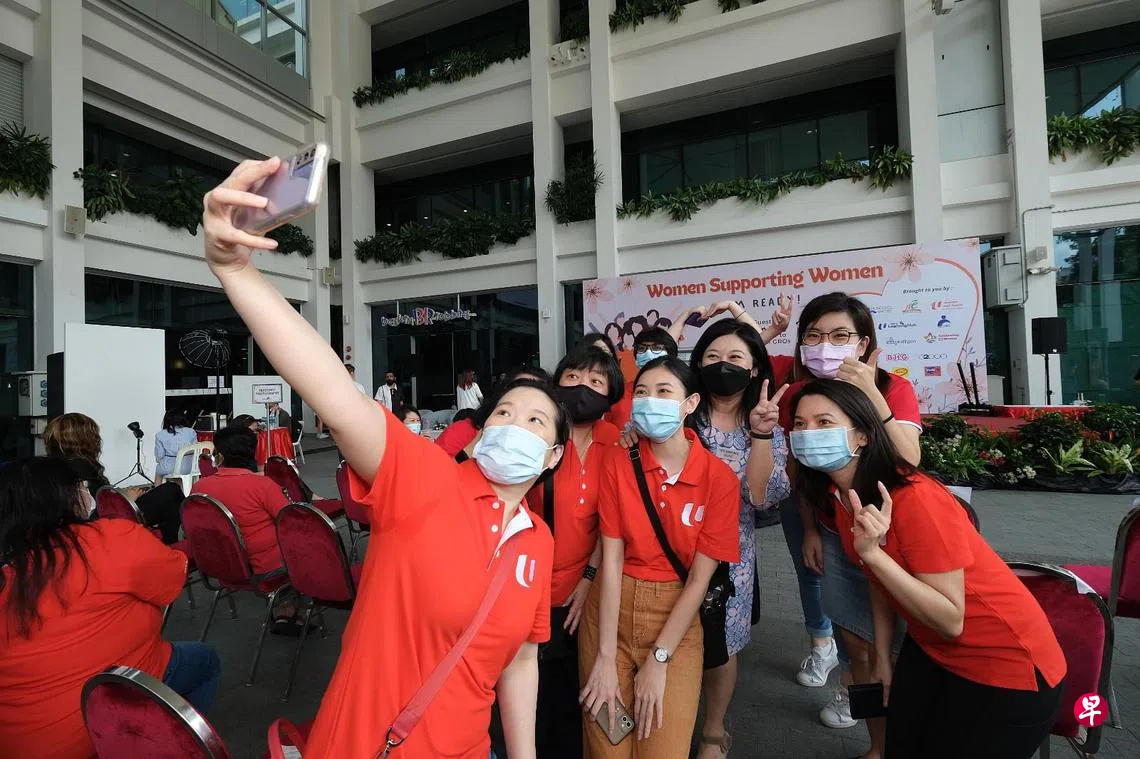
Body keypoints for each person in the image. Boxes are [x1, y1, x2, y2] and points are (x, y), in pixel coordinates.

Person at [202, 158, 571, 758]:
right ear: (477, 433)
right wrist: (235, 271)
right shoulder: (426, 480)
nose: (514, 425)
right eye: (503, 412)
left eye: (535, 421)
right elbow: (337, 396)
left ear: (552, 456)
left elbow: (521, 660)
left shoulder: (538, 541)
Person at [789, 380, 1066, 758]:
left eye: (824, 422)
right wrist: (881, 655)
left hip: (1005, 663)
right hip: (932, 649)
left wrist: (875, 555)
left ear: (863, 435)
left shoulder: (915, 497)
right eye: (799, 424)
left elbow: (951, 619)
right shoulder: (843, 497)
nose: (808, 433)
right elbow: (878, 582)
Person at [775, 292, 922, 755]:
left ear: (863, 344)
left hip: (891, 533)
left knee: (892, 646)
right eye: (814, 335)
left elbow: (910, 459)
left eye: (840, 336)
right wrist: (811, 529)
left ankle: (897, 724)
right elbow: (799, 472)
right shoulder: (798, 394)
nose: (826, 346)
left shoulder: (893, 388)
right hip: (832, 527)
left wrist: (871, 394)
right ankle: (871, 731)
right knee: (855, 640)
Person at [0, 457, 220, 759]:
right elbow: (171, 582)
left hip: (17, 743)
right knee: (206, 661)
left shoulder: (9, 571)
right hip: (93, 725)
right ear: (70, 498)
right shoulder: (110, 538)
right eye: (79, 486)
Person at [578, 356, 741, 759]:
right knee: (608, 746)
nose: (650, 400)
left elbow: (699, 581)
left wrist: (659, 658)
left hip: (676, 625)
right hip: (610, 619)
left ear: (690, 403)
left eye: (664, 391)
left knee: (663, 746)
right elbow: (612, 561)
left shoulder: (719, 479)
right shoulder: (619, 462)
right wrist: (604, 659)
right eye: (642, 392)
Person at [686, 317, 791, 758]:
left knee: (721, 647)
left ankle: (713, 729)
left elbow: (762, 496)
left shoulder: (764, 425)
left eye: (734, 357)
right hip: (667, 553)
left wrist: (761, 434)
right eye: (712, 356)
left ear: (754, 369)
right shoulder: (679, 414)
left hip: (731, 559)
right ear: (697, 364)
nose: (722, 365)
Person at [524, 345, 623, 759]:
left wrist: (588, 578)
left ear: (610, 394)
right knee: (535, 696)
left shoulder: (617, 442)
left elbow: (614, 525)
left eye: (596, 381)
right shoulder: (537, 435)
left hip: (589, 589)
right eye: (573, 377)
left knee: (576, 691)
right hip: (531, 588)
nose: (583, 387)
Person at [189, 426, 300, 634]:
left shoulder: (200, 488)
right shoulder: (262, 485)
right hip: (264, 566)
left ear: (220, 455)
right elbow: (289, 520)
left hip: (220, 564)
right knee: (305, 547)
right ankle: (287, 609)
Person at [43, 413, 186, 544]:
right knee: (170, 491)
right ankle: (173, 543)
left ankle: (168, 542)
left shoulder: (55, 467)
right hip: (103, 525)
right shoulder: (80, 468)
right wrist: (125, 499)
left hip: (100, 521)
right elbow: (93, 511)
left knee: (169, 500)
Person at [435, 366, 551, 461]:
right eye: (518, 388)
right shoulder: (463, 432)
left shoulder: (545, 450)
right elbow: (437, 474)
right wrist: (467, 453)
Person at [605, 327, 679, 430]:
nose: (648, 353)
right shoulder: (619, 392)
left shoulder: (681, 391)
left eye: (656, 348)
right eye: (641, 348)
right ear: (636, 358)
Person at [154, 410, 200, 482]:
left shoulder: (160, 434)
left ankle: (157, 488)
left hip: (169, 467)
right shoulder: (191, 431)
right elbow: (195, 448)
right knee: (178, 475)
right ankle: (181, 487)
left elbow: (159, 455)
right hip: (190, 467)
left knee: (158, 472)